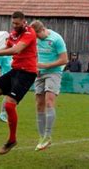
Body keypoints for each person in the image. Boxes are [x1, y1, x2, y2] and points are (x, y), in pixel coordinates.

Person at [0, 11, 37, 154]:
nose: (15, 25)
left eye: (17, 23)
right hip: (15, 71)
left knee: (9, 105)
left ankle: (12, 140)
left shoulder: (29, 33)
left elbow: (15, 50)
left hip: (27, 73)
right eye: (13, 23)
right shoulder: (13, 34)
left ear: (24, 22)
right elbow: (7, 47)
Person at [30, 20, 68, 151]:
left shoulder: (56, 39)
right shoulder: (34, 40)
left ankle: (48, 135)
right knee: (39, 104)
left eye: (36, 35)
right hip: (39, 73)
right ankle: (41, 137)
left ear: (42, 30)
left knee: (49, 103)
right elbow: (33, 55)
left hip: (54, 73)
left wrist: (46, 65)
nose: (35, 38)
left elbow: (64, 60)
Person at [0, 41, 13, 123]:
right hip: (5, 76)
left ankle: (4, 113)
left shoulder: (14, 52)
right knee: (9, 95)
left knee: (10, 95)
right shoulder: (3, 54)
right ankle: (2, 113)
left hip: (14, 76)